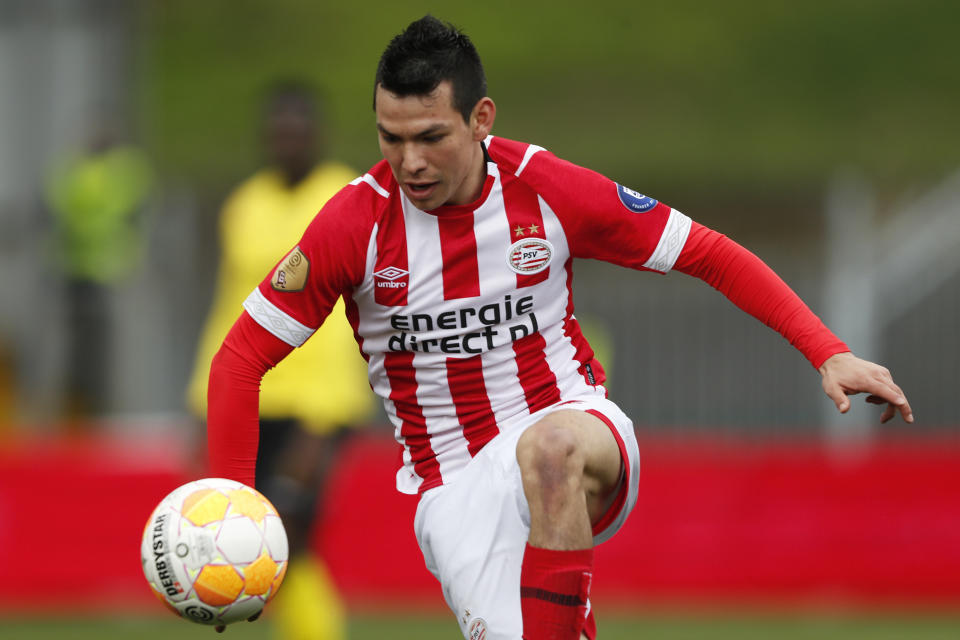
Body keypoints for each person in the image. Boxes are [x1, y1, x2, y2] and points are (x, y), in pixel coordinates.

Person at [206, 16, 913, 640]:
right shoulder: (352, 224)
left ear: (481, 118)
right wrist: (234, 508)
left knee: (548, 451)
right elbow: (238, 361)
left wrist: (827, 350)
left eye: (431, 137)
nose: (410, 161)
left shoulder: (548, 189)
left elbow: (704, 251)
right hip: (452, 485)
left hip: (570, 421)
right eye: (391, 138)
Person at [187, 83, 374, 640]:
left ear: (317, 133)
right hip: (250, 396)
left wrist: (329, 416)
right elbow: (230, 305)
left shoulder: (346, 196)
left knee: (289, 532)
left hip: (316, 404)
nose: (287, 141)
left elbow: (351, 312)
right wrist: (204, 395)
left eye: (298, 130)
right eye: (278, 131)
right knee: (253, 540)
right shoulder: (243, 205)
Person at [44, 123, 152, 420]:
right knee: (85, 352)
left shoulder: (110, 169)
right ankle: (86, 411)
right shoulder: (111, 170)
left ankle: (98, 410)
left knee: (98, 350)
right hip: (87, 271)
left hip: (106, 272)